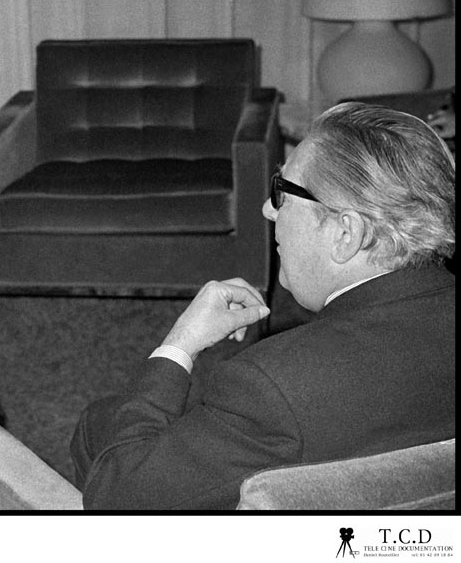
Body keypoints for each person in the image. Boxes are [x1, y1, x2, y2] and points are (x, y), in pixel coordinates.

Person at [70, 102, 455, 509]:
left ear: (346, 233)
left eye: (283, 193)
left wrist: (178, 346)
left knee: (101, 423)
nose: (268, 210)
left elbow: (120, 497)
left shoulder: (270, 386)